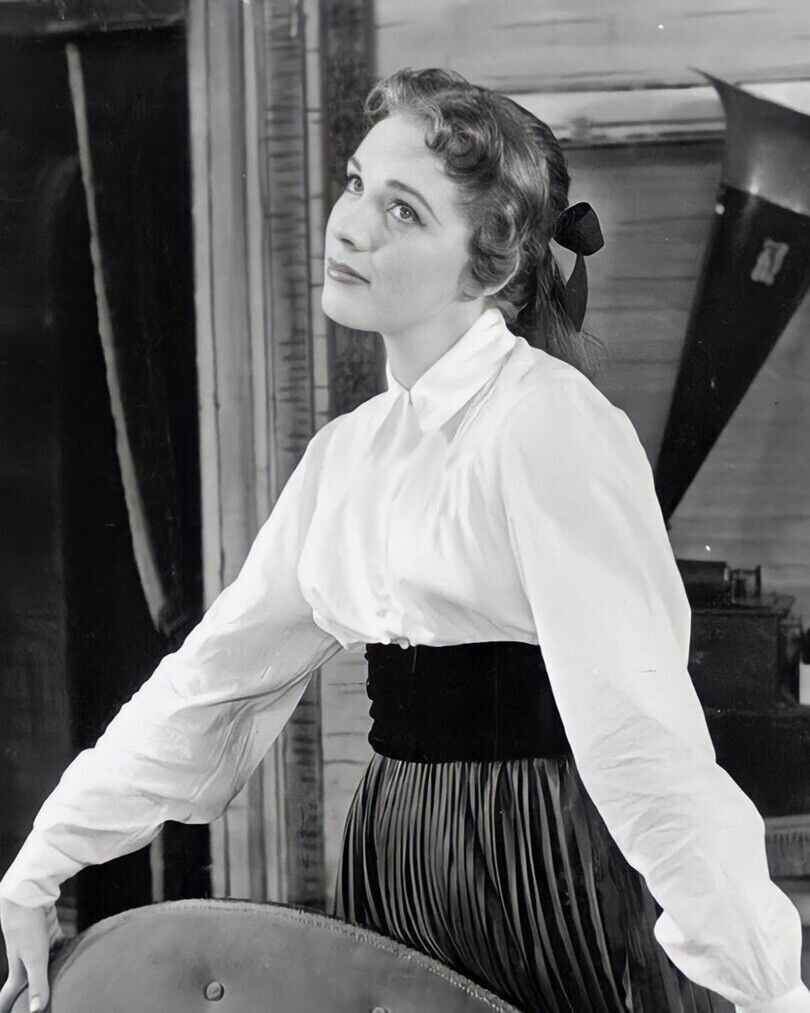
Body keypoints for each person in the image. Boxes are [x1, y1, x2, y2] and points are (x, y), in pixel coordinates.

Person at [0, 67, 807, 1013]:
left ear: (490, 265)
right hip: (392, 858)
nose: (350, 226)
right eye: (355, 184)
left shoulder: (549, 424)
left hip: (544, 867)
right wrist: (43, 860)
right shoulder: (346, 455)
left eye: (404, 211)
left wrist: (768, 991)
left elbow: (641, 738)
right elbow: (210, 686)